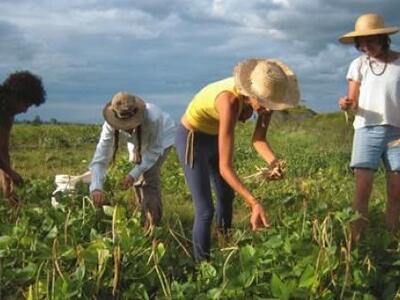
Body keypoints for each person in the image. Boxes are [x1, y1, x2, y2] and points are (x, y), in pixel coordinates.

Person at [175, 58, 300, 260]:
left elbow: (259, 140)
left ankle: (225, 243)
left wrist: (273, 162)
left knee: (226, 196)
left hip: (215, 136)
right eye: (266, 103)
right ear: (252, 94)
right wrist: (254, 202)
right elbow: (225, 168)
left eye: (272, 104)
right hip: (193, 139)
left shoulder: (264, 104)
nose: (268, 109)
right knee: (205, 210)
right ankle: (202, 268)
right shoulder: (230, 101)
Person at [338, 13, 400, 239]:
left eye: (370, 41)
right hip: (367, 130)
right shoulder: (358, 65)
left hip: (397, 132)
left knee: (396, 190)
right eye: (361, 43)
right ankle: (356, 243)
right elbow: (352, 101)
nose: (365, 46)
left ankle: (392, 241)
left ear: (383, 38)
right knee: (362, 189)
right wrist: (346, 104)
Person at [89, 92, 176, 228]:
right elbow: (101, 157)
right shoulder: (109, 124)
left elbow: (154, 150)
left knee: (148, 177)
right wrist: (96, 187)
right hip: (137, 144)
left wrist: (133, 174)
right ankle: (142, 214)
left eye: (129, 124)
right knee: (137, 179)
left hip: (162, 139)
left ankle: (153, 224)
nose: (127, 127)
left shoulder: (153, 119)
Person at [0, 71, 46, 205]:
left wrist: (8, 190)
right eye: (26, 105)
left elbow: (3, 149)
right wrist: (11, 173)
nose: (25, 110)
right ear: (16, 97)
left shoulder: (7, 114)